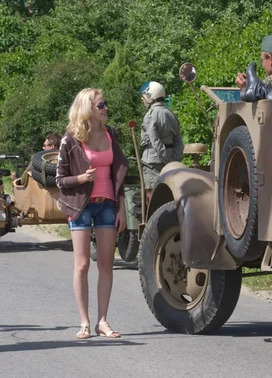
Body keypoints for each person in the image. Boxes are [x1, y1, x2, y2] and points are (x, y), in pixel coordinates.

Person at [56, 88, 128, 339]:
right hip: (81, 207)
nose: (106, 108)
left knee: (106, 264)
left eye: (105, 104)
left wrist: (122, 208)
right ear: (87, 109)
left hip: (107, 204)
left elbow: (119, 173)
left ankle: (103, 321)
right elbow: (60, 180)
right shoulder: (71, 139)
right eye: (101, 105)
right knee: (83, 264)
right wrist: (81, 178)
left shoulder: (111, 134)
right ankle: (84, 322)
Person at [139, 81, 184, 195]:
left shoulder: (150, 115)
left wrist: (166, 159)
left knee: (152, 196)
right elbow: (178, 141)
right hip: (172, 159)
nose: (142, 99)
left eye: (144, 96)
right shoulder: (171, 114)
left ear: (150, 96)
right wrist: (174, 160)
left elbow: (155, 141)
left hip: (152, 163)